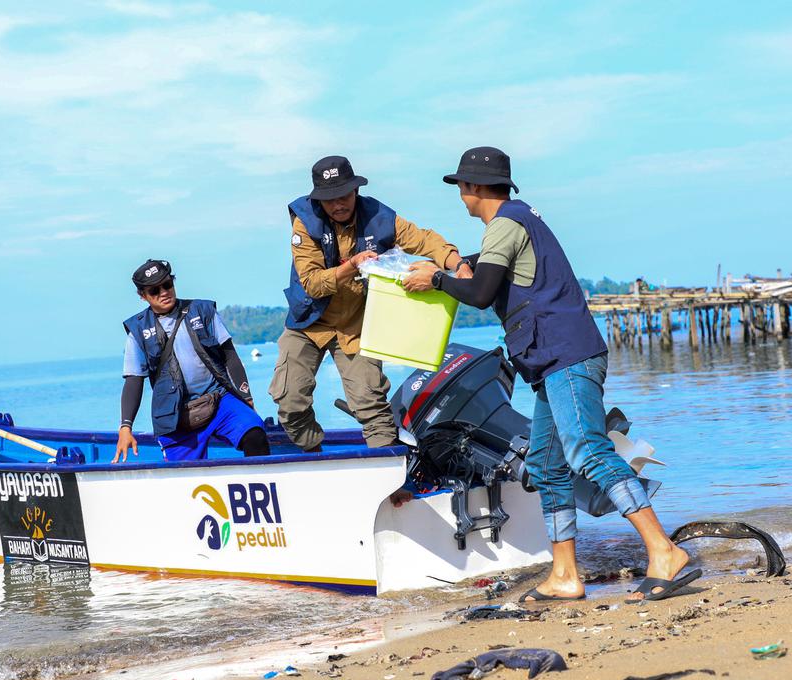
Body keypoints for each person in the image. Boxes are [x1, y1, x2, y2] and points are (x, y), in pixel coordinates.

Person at [406, 147, 698, 603]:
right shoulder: (517, 221)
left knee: (588, 451)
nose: (461, 196)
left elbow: (480, 292)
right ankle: (565, 575)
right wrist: (453, 265)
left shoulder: (505, 223)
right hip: (554, 363)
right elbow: (487, 269)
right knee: (545, 465)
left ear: (475, 186)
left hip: (568, 358)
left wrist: (438, 280)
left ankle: (664, 551)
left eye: (461, 187)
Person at [272, 155, 472, 453]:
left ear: (356, 190)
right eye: (329, 199)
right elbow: (312, 283)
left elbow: (424, 240)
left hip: (356, 324)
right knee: (290, 400)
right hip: (309, 322)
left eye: (344, 196)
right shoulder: (305, 222)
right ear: (318, 200)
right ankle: (313, 453)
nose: (338, 204)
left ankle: (389, 469)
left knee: (371, 404)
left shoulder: (379, 216)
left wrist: (459, 264)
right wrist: (352, 265)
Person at [114, 259, 270, 462]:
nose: (164, 292)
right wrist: (125, 427)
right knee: (183, 473)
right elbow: (134, 381)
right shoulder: (137, 331)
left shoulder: (203, 310)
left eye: (167, 285)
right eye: (154, 291)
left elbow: (230, 356)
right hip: (175, 416)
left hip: (220, 399)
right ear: (142, 295)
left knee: (254, 433)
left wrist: (246, 398)